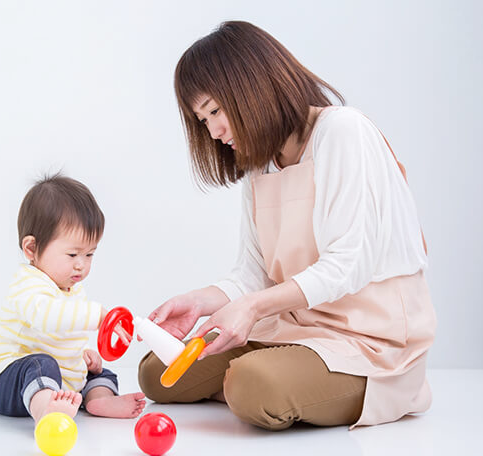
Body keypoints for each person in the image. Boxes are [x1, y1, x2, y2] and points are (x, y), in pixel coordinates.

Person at [138, 21, 436, 430]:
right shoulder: (260, 163)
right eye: (202, 120)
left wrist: (251, 309)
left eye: (215, 111)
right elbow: (252, 275)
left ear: (251, 86)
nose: (214, 131)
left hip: (367, 341)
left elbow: (349, 264)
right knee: (157, 373)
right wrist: (202, 302)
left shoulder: (343, 131)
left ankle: (350, 387)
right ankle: (276, 375)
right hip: (293, 327)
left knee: (251, 386)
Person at [0, 174, 145, 424]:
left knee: (99, 372)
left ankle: (98, 399)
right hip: (7, 380)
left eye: (90, 254)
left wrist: (82, 355)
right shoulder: (28, 284)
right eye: (72, 254)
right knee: (40, 364)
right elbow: (47, 318)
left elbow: (61, 336)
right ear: (32, 249)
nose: (81, 265)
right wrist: (98, 316)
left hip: (55, 380)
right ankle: (45, 410)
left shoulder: (71, 287)